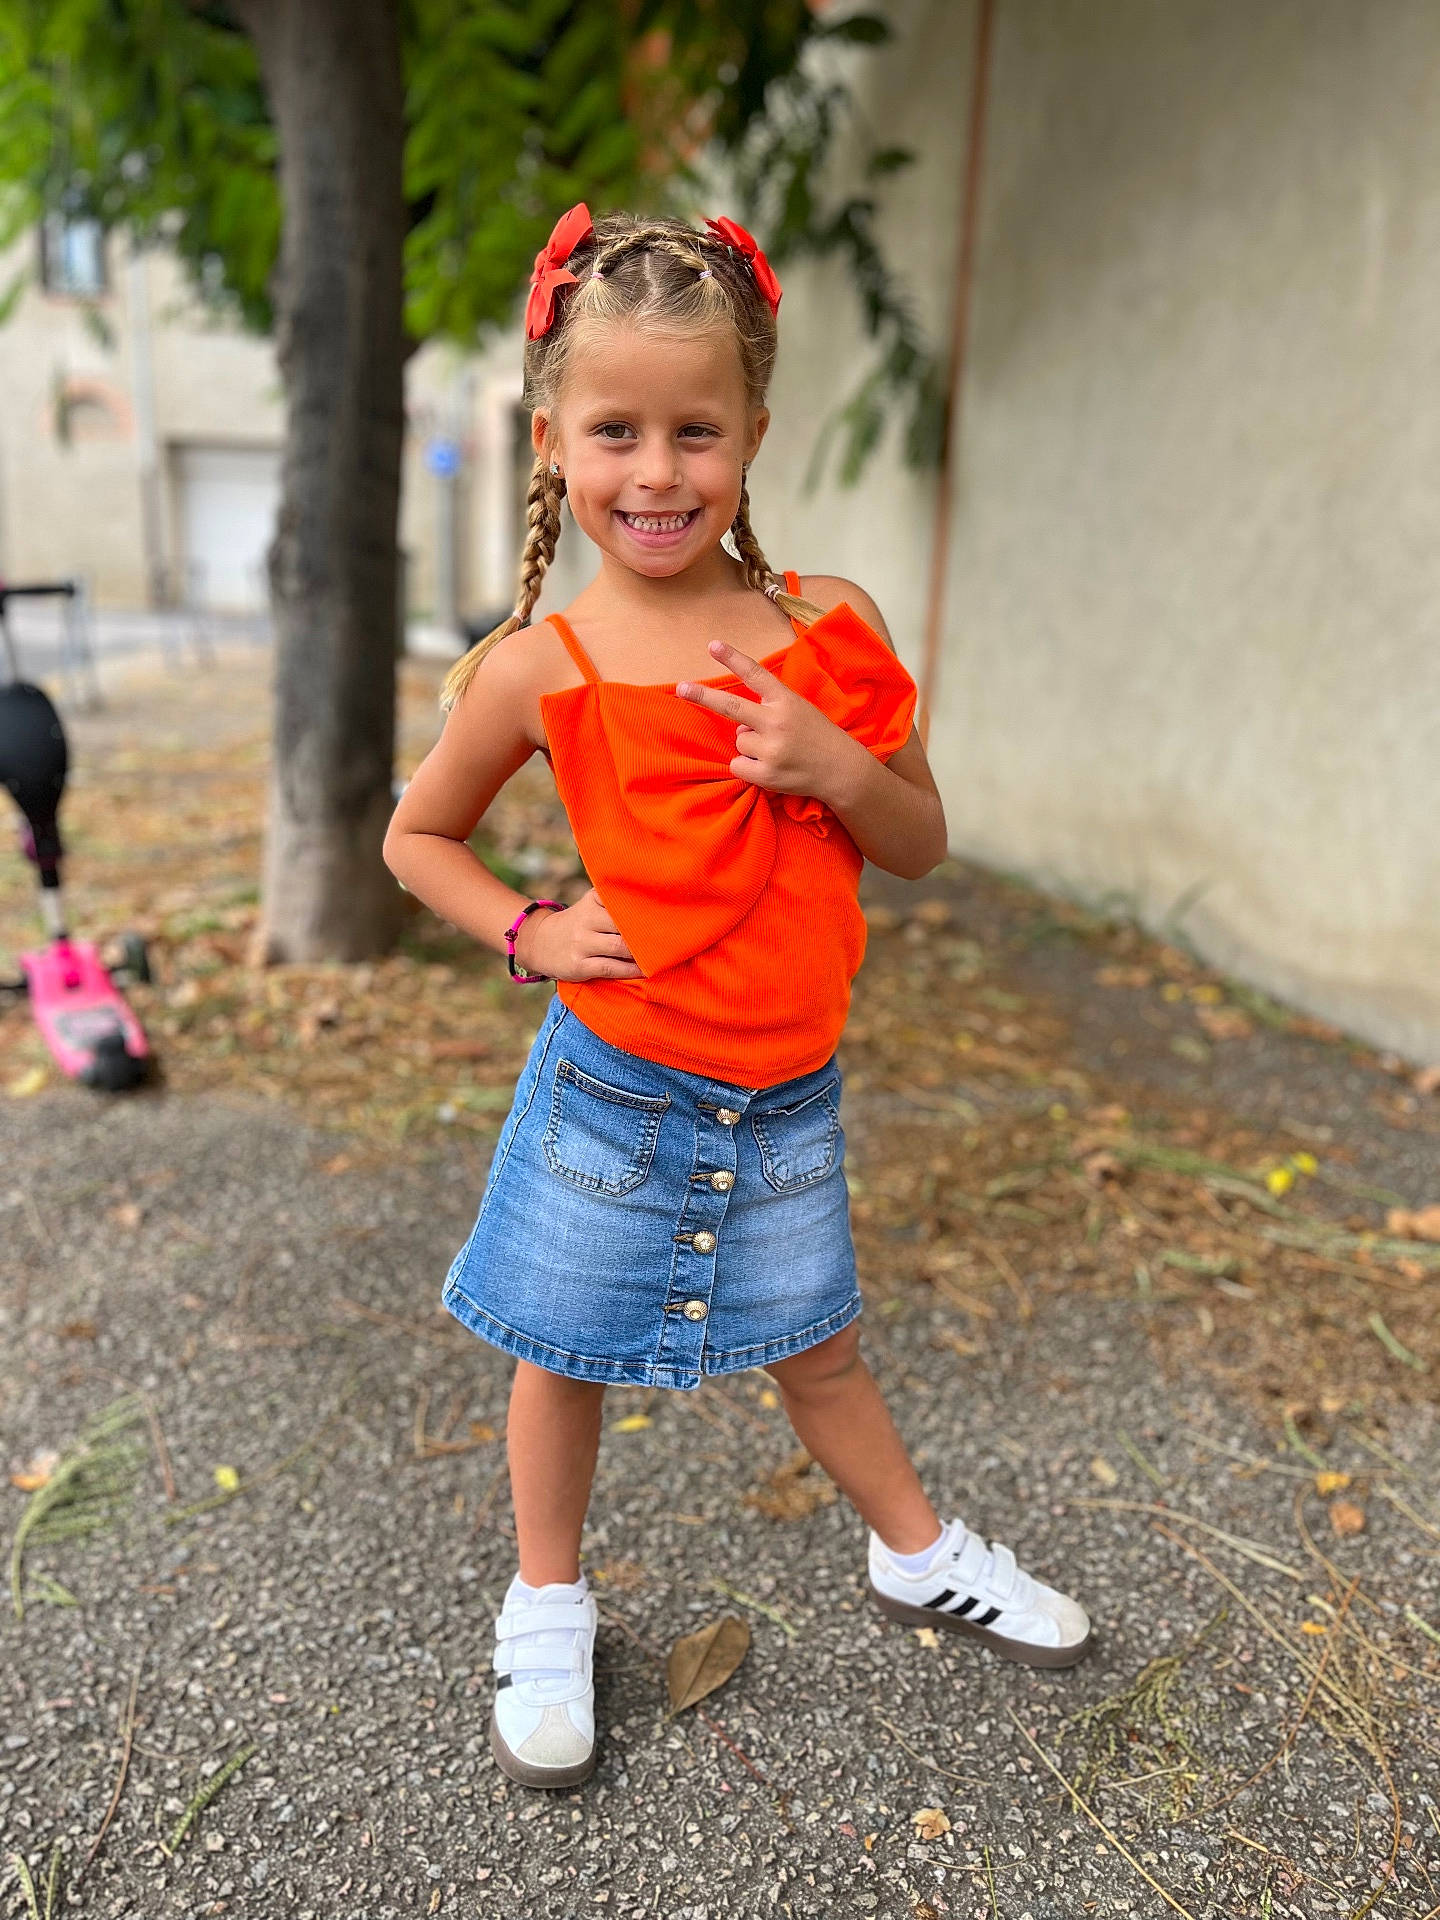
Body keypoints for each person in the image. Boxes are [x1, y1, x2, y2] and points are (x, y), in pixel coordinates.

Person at [383, 205, 1092, 1791]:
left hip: (787, 1094)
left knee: (818, 1344)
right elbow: (415, 837)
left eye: (695, 431)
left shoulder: (830, 628)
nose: (656, 472)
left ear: (755, 431)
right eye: (614, 429)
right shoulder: (541, 665)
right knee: (559, 1353)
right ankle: (549, 1599)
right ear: (552, 435)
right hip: (616, 1092)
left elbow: (918, 842)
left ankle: (914, 1552)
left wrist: (836, 766)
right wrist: (528, 934)